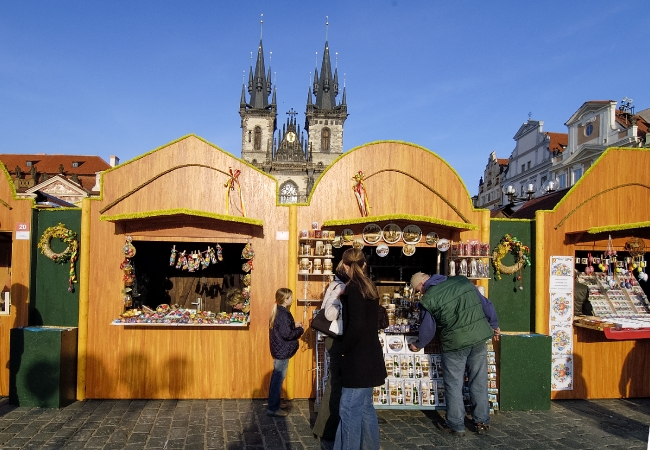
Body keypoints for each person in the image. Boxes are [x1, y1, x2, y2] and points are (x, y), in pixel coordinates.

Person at [408, 272, 500, 436]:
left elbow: (428, 329)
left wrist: (418, 344)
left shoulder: (428, 299)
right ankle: (482, 421)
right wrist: (494, 324)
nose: (420, 293)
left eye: (418, 290)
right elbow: (486, 304)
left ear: (421, 285)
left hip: (454, 344)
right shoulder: (462, 282)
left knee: (454, 384)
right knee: (478, 380)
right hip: (478, 338)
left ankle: (456, 425)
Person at [330, 248, 387, 450]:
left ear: (345, 265)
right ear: (364, 264)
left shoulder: (354, 288)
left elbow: (357, 325)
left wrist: (343, 348)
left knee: (348, 410)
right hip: (371, 355)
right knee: (364, 409)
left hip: (358, 359)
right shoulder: (369, 286)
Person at [312, 263, 348, 441]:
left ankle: (325, 428)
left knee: (334, 383)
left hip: (331, 338)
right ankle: (326, 429)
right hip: (336, 338)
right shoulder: (340, 287)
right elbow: (330, 314)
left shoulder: (333, 285)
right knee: (335, 385)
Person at [267, 287, 304, 417]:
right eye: (290, 297)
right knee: (278, 379)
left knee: (276, 378)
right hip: (282, 350)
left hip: (279, 349)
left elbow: (283, 329)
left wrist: (294, 325)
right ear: (285, 299)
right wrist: (300, 330)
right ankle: (273, 408)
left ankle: (274, 402)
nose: (292, 300)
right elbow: (287, 334)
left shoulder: (279, 311)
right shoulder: (283, 313)